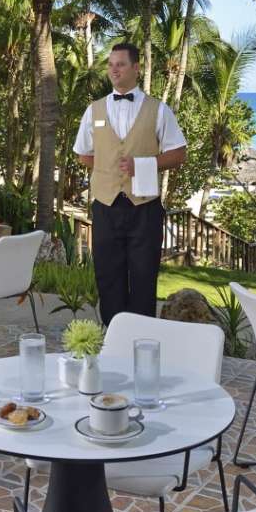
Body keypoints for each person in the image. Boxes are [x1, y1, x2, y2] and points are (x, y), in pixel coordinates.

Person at [73, 42, 187, 323]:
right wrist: (108, 173)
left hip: (144, 208)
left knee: (143, 277)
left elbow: (178, 153)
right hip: (106, 206)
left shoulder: (159, 110)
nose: (114, 69)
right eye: (111, 64)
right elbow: (83, 154)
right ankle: (113, 339)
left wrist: (144, 165)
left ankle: (142, 342)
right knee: (108, 276)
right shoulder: (94, 110)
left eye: (120, 64)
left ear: (136, 68)